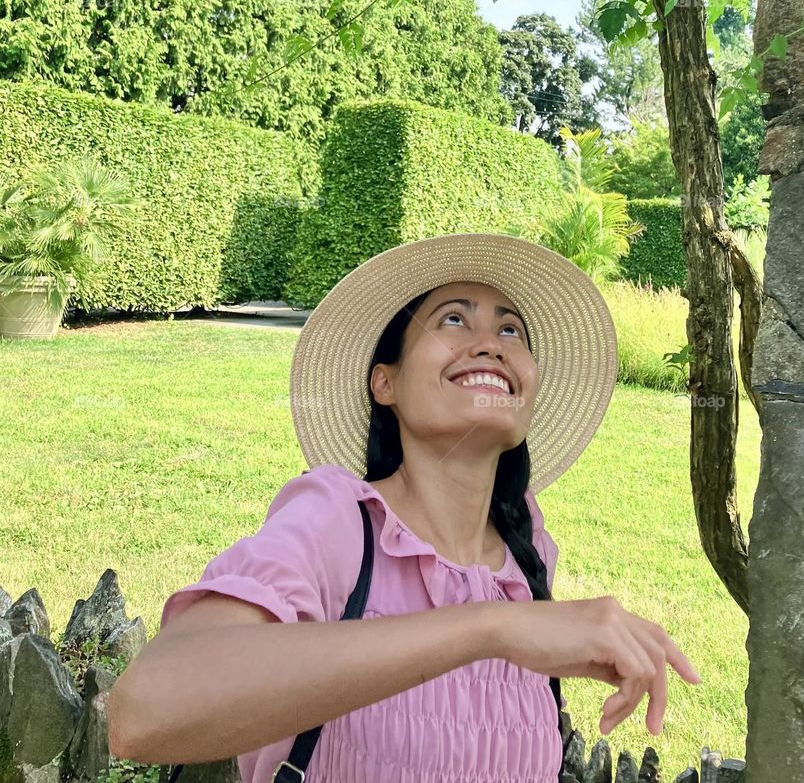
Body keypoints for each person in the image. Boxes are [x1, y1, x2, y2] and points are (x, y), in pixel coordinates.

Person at [107, 233, 701, 782]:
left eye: (512, 330)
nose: (491, 344)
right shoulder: (339, 520)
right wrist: (495, 630)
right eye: (453, 319)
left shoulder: (528, 556)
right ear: (383, 383)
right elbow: (146, 711)